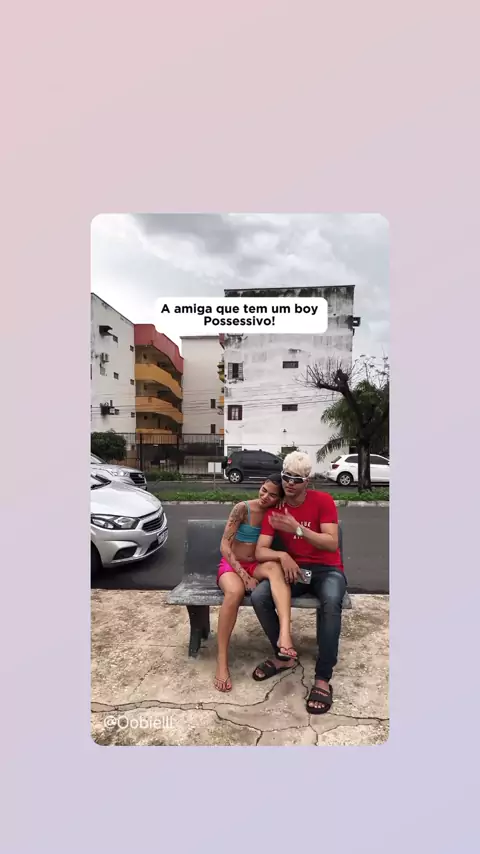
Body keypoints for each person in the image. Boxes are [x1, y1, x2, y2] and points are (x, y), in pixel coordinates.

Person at [251, 451, 346, 715]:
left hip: (327, 570)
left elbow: (331, 543)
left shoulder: (323, 501)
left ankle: (323, 678)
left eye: (297, 479)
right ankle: (283, 655)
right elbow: (260, 551)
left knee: (331, 602)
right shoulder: (276, 509)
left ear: (307, 481)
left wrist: (298, 529)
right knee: (260, 596)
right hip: (295, 570)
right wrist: (283, 556)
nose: (290, 483)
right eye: (286, 477)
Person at [214, 474, 297, 692]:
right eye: (263, 490)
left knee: (275, 569)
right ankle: (222, 661)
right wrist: (244, 576)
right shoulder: (242, 509)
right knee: (235, 592)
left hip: (256, 565)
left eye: (272, 495)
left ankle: (285, 635)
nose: (265, 496)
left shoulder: (275, 513)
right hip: (233, 565)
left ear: (279, 498)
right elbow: (224, 546)